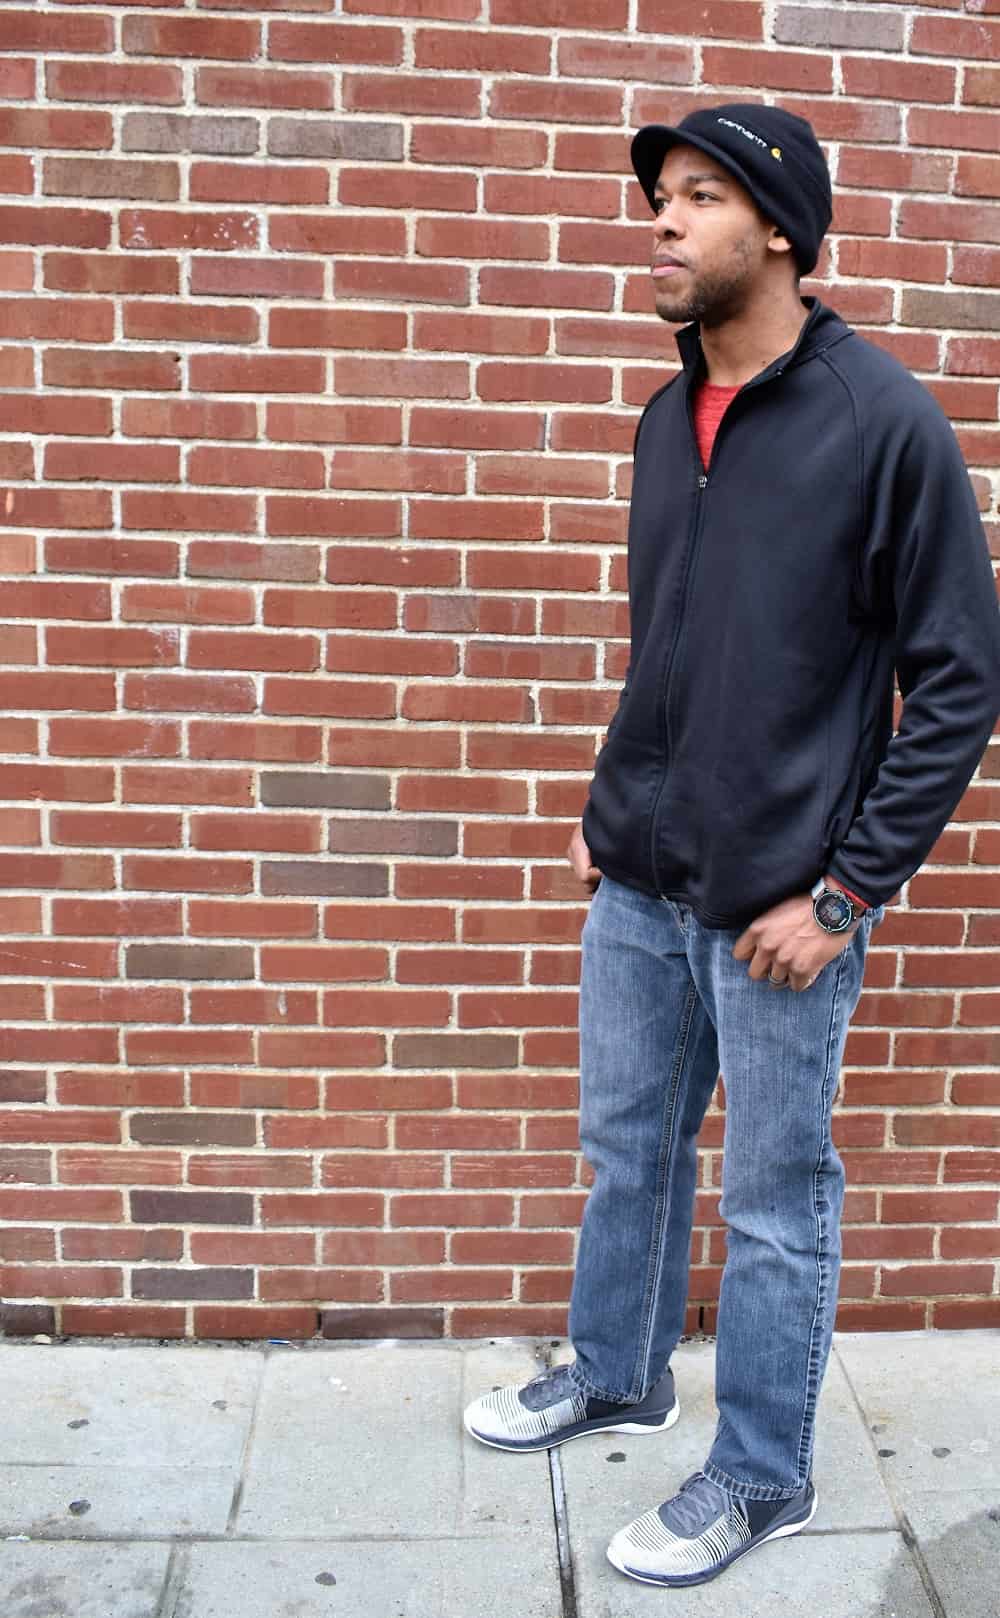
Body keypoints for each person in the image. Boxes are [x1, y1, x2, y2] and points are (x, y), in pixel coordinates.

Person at [462, 102, 1000, 1590]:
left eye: (700, 198)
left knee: (775, 1196)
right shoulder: (662, 417)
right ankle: (621, 1372)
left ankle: (762, 1472)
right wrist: (624, 820)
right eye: (660, 197)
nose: (662, 221)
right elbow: (681, 657)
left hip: (781, 903)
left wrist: (847, 890)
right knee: (626, 1151)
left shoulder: (879, 420)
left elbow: (961, 677)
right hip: (641, 875)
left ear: (779, 228)